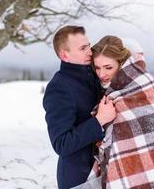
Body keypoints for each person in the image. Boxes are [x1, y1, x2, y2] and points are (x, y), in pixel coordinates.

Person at [78, 35, 154, 189]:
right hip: (123, 167)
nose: (101, 74)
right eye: (97, 67)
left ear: (121, 64)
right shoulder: (109, 92)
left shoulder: (143, 83)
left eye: (108, 67)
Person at [43, 26, 116, 189]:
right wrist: (99, 121)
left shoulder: (93, 74)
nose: (90, 51)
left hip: (105, 171)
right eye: (83, 48)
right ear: (64, 55)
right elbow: (61, 144)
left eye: (89, 45)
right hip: (81, 179)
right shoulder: (58, 87)